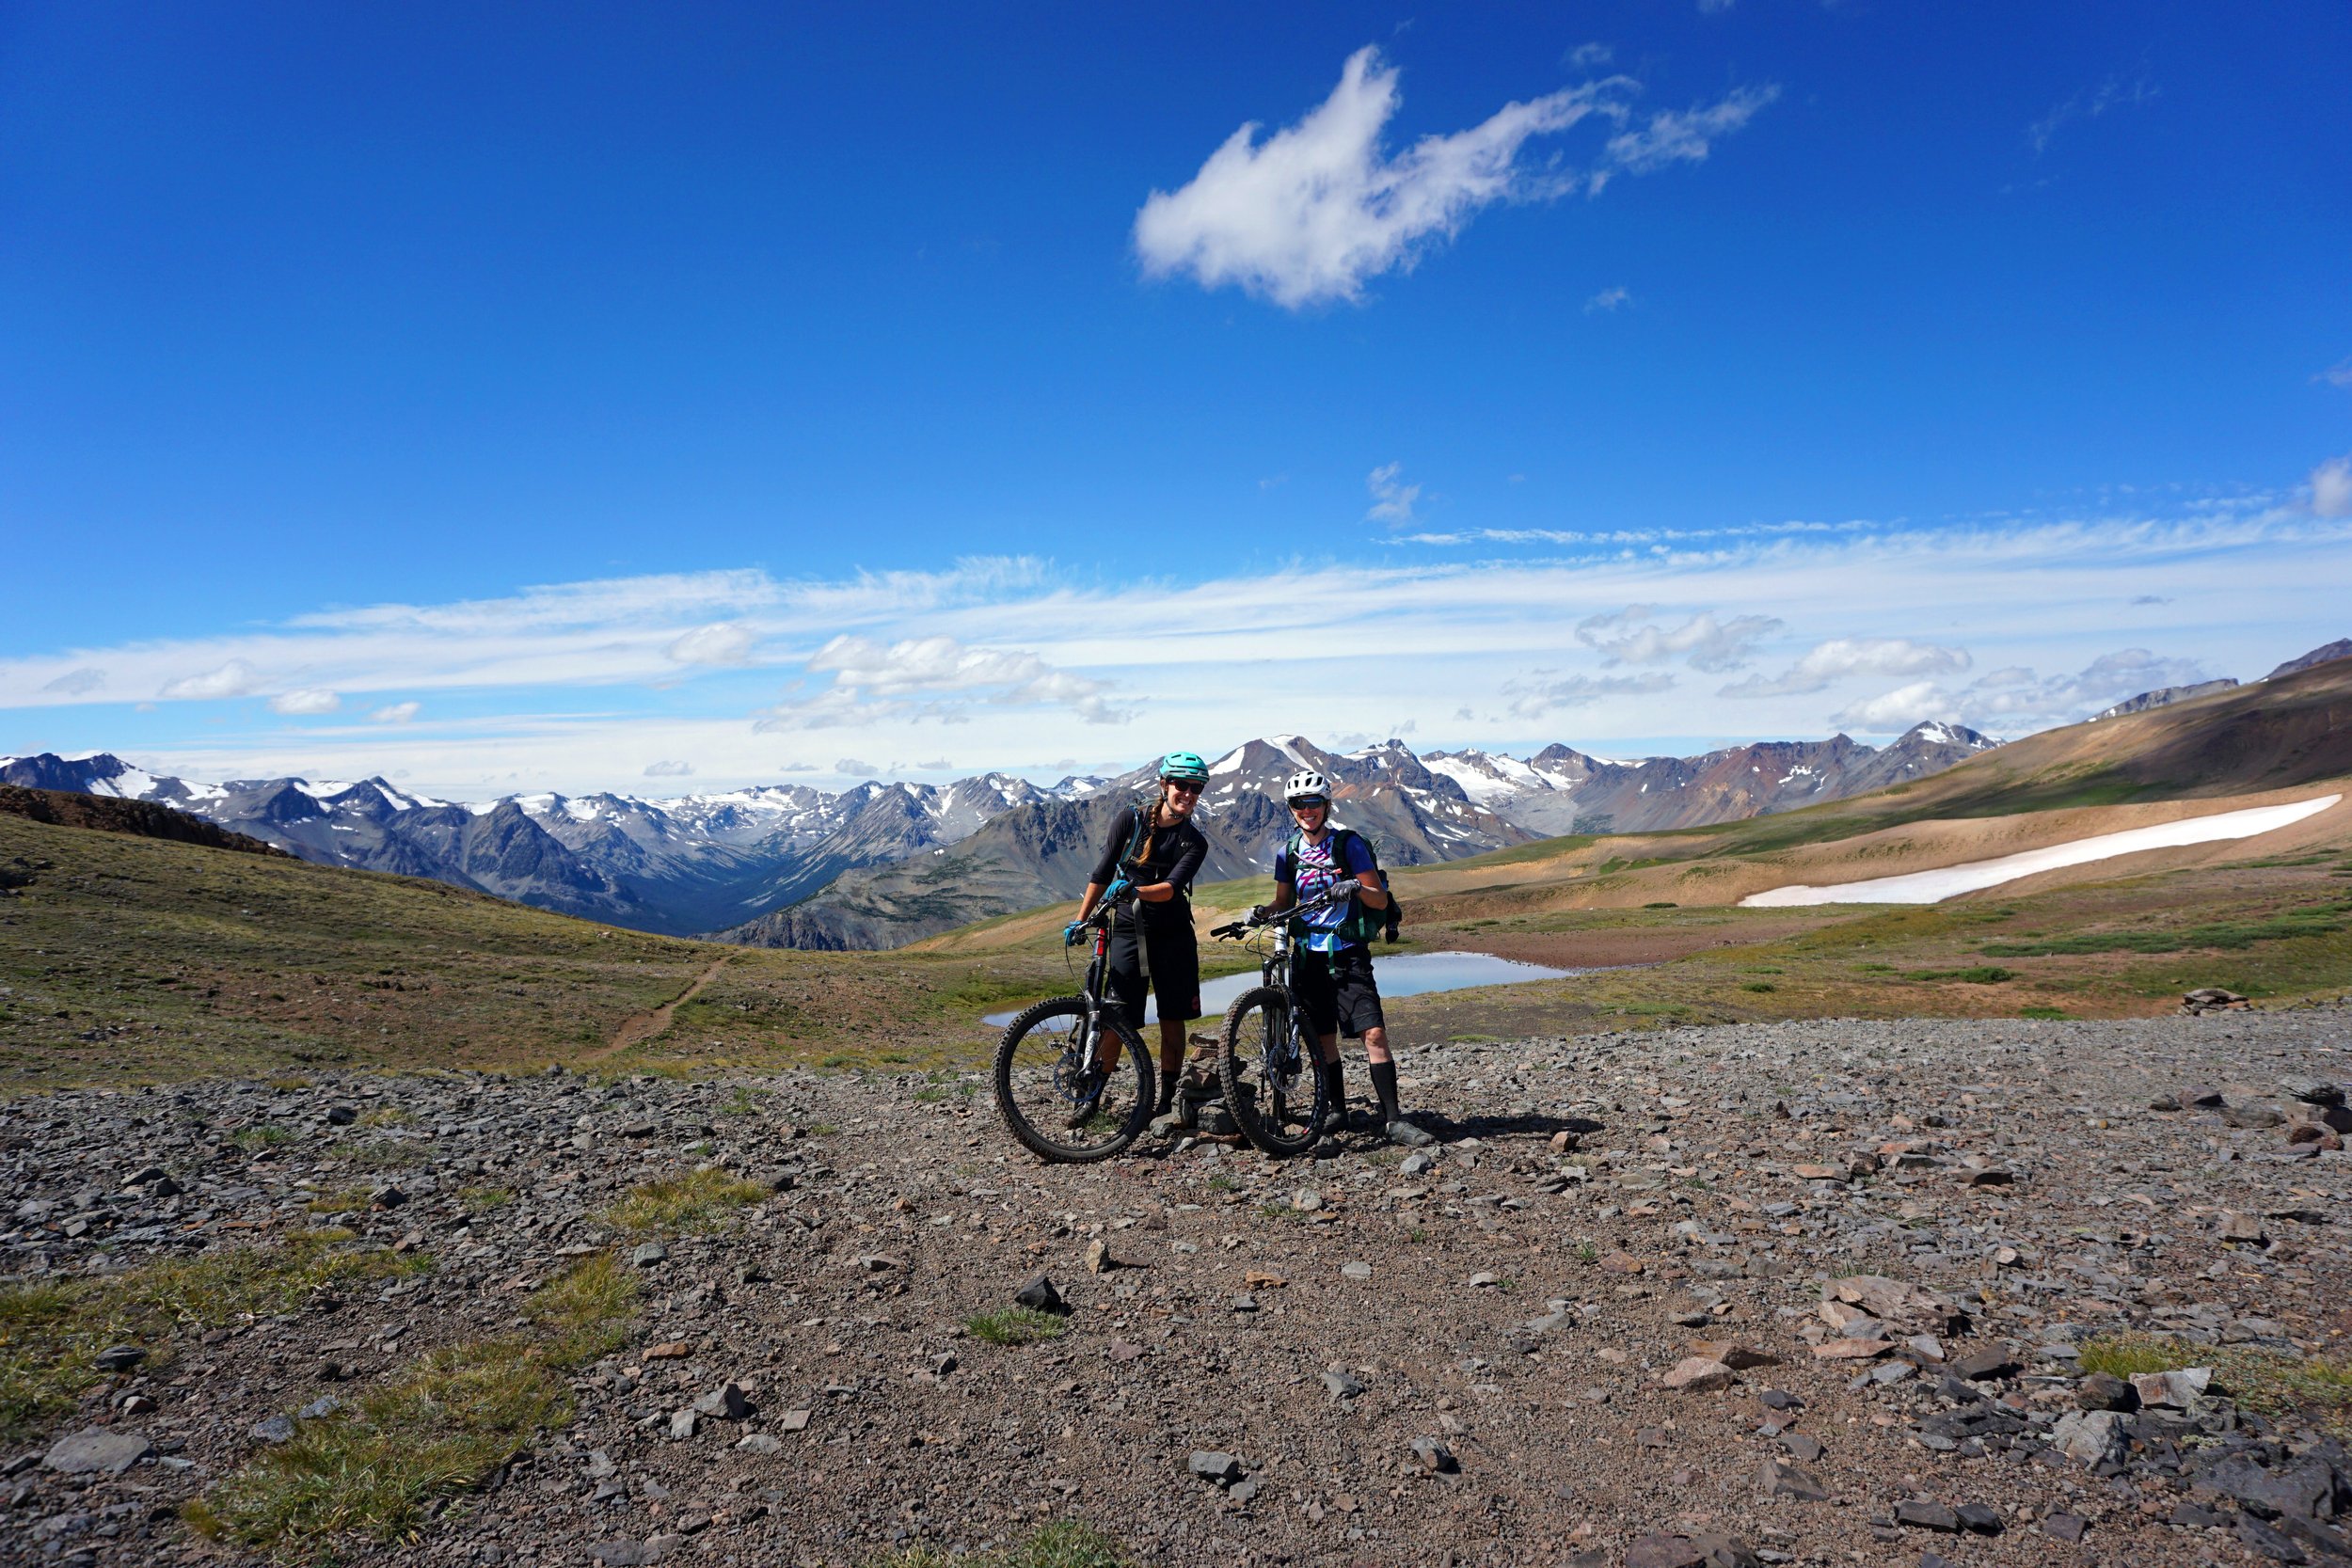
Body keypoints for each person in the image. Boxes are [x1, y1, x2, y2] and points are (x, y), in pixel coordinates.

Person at [1260, 769, 1432, 1147]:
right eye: (1299, 805)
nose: (1307, 810)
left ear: (1326, 805)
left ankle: (1393, 1121)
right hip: (1308, 958)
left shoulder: (1349, 845)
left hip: (1347, 953)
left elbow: (1379, 898)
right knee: (1323, 1040)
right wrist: (1263, 911)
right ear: (1291, 810)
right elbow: (1283, 901)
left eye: (1314, 803)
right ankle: (1337, 1110)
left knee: (1373, 1033)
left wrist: (1355, 886)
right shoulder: (1286, 853)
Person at [1067, 752, 1212, 1123]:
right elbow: (1100, 873)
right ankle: (1092, 1097)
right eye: (1183, 785)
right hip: (1129, 930)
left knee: (1172, 1016)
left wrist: (1133, 891)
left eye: (1197, 788)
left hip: (1173, 932)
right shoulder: (1130, 820)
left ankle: (1165, 1103)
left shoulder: (1194, 841)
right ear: (1164, 785)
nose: (1190, 793)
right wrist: (1081, 920)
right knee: (1119, 1015)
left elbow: (1170, 888)